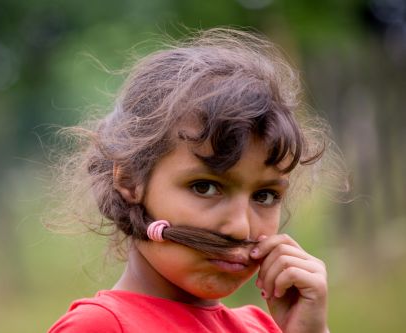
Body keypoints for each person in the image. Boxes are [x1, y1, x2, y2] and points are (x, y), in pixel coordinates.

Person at [48, 28, 338, 333]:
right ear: (131, 182)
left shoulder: (266, 327)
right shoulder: (102, 326)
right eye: (205, 187)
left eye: (265, 196)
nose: (241, 227)